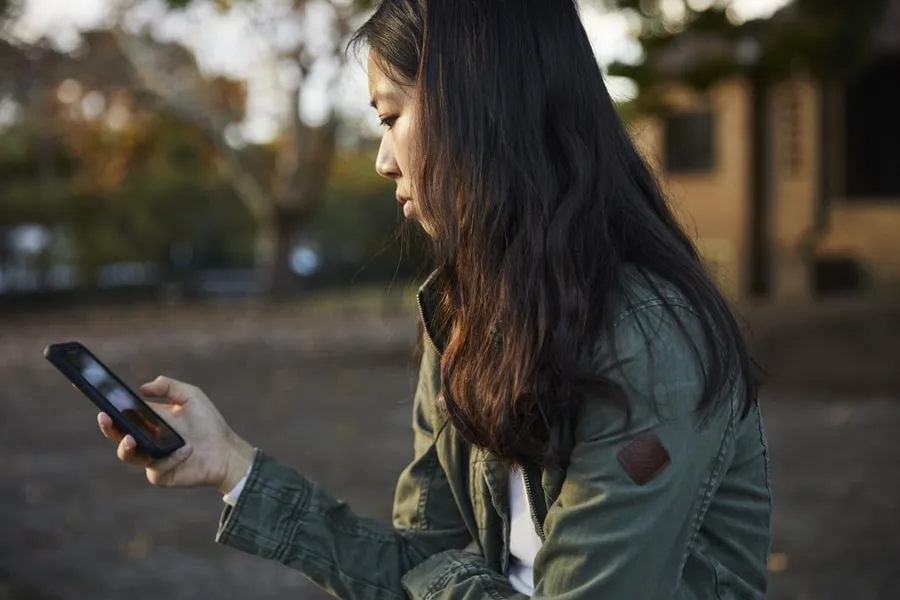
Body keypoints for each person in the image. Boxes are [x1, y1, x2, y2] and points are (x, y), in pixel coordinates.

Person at [97, 1, 772, 598]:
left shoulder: (649, 340)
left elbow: (427, 574)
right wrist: (233, 467)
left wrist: (442, 580)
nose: (383, 159)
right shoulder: (464, 319)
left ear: (479, 105)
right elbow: (420, 555)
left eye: (390, 116)